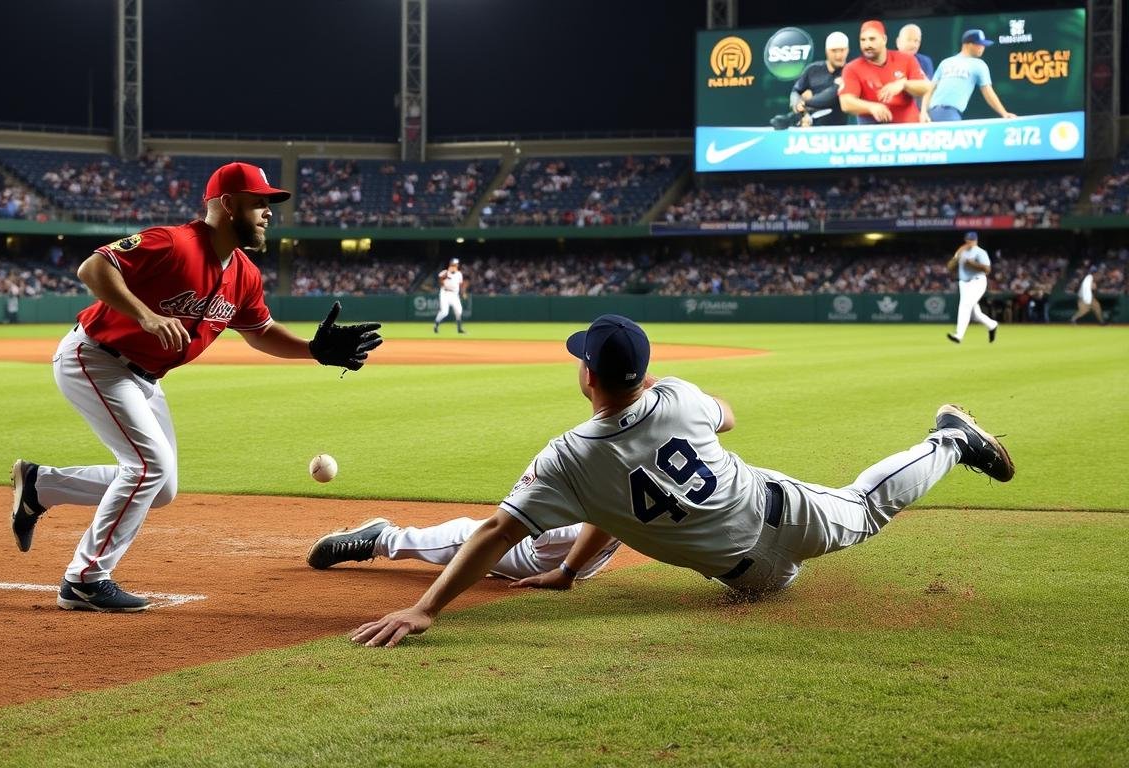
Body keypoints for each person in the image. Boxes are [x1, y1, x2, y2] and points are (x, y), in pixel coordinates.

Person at [352, 315, 1014, 647]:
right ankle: (949, 442)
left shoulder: (569, 460)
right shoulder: (676, 397)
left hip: (750, 558)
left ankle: (952, 436)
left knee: (859, 510)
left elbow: (499, 532)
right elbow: (726, 416)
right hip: (778, 528)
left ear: (588, 376)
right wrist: (570, 570)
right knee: (866, 509)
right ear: (642, 372)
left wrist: (427, 608)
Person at [10, 161, 384, 612]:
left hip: (145, 376)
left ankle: (39, 486)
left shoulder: (244, 273)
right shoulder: (172, 242)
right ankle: (85, 579)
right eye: (259, 202)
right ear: (228, 204)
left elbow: (261, 331)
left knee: (160, 486)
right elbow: (92, 269)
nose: (268, 212)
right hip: (96, 359)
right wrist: (145, 315)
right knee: (147, 468)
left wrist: (314, 350)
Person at [306, 516, 621, 587]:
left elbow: (607, 518)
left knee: (481, 539)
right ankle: (383, 538)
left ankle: (382, 538)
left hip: (565, 549)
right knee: (473, 538)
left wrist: (566, 572)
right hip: (575, 550)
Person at [839, 20, 931, 124]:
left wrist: (904, 84)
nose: (867, 44)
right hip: (873, 130)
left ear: (884, 39)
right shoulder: (852, 68)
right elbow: (846, 103)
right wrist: (871, 107)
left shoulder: (905, 59)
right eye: (863, 40)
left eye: (872, 39)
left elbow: (926, 87)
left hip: (907, 128)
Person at [921, 29, 1016, 123]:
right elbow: (930, 90)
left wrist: (1004, 113)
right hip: (934, 113)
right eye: (979, 44)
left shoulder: (978, 64)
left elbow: (988, 91)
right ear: (968, 44)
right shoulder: (946, 62)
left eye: (983, 45)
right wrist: (923, 112)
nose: (983, 47)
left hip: (949, 112)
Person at [946, 231, 999, 344]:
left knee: (964, 306)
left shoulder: (980, 252)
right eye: (968, 239)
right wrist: (956, 259)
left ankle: (959, 335)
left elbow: (987, 270)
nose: (969, 242)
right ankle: (992, 325)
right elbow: (950, 267)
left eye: (972, 240)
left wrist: (972, 264)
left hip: (977, 282)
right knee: (975, 314)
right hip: (963, 284)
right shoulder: (961, 251)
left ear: (976, 241)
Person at [788, 31, 851, 127]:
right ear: (826, 51)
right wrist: (800, 110)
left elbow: (830, 96)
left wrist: (805, 102)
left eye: (842, 50)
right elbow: (795, 92)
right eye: (834, 51)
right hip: (813, 130)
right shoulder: (812, 70)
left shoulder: (850, 72)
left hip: (840, 130)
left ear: (847, 50)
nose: (838, 55)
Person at [433, 257, 468, 334]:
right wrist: (443, 278)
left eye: (456, 264)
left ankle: (459, 329)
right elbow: (440, 282)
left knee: (459, 311)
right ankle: (436, 325)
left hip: (454, 295)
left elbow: (461, 285)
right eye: (454, 264)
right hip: (445, 293)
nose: (456, 265)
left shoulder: (459, 274)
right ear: (451, 264)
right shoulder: (445, 272)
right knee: (445, 312)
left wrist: (463, 293)